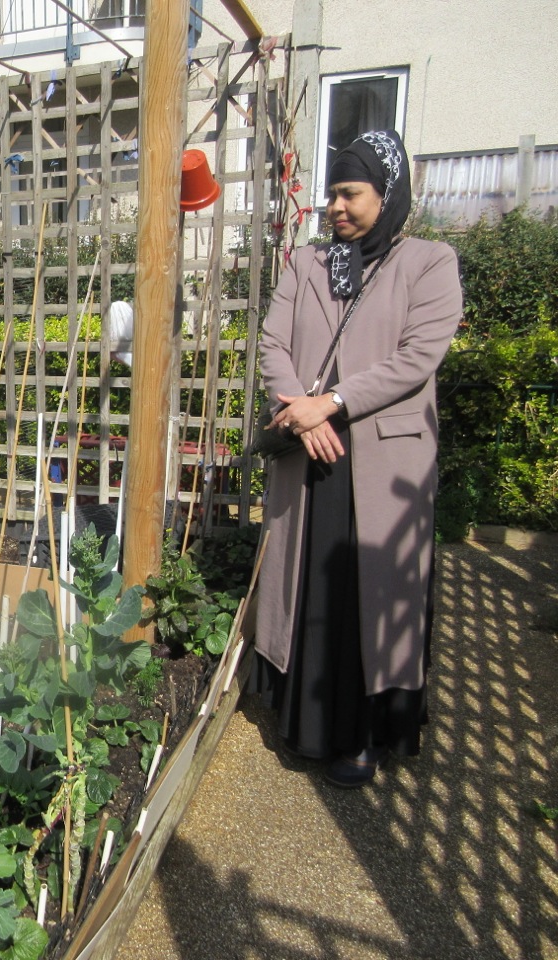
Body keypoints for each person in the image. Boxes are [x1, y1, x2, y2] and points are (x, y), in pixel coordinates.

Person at [251, 130, 463, 788]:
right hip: (311, 461)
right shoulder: (307, 265)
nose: (336, 206)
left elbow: (417, 358)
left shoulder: (428, 263)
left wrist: (330, 403)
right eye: (332, 193)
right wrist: (301, 410)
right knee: (309, 589)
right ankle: (303, 725)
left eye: (352, 193)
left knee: (365, 597)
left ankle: (362, 737)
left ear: (388, 192)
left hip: (382, 464)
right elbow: (272, 342)